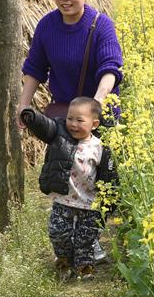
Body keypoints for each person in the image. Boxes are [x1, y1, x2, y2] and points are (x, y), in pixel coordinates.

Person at [17, 0, 124, 263]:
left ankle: (91, 239)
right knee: (68, 179)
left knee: (100, 181)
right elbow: (34, 68)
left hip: (98, 116)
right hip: (66, 120)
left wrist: (97, 102)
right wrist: (23, 104)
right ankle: (67, 241)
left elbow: (110, 68)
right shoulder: (47, 26)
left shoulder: (100, 25)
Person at [20, 97, 118, 279]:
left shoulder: (101, 148)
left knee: (86, 239)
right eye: (70, 118)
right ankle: (64, 260)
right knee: (58, 233)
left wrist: (109, 201)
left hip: (89, 204)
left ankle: (84, 267)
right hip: (63, 199)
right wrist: (31, 117)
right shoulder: (59, 134)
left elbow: (108, 176)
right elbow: (46, 126)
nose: (73, 124)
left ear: (94, 124)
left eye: (80, 120)